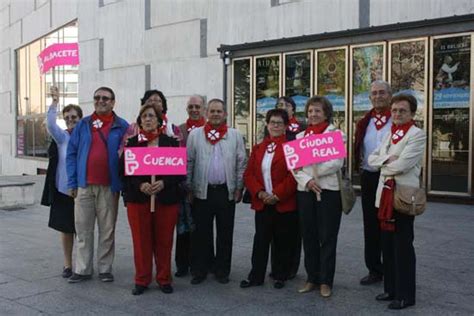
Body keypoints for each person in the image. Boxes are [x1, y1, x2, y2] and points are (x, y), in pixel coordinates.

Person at [369, 94, 426, 310]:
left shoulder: (417, 135)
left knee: (402, 247)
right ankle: (390, 289)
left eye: (402, 110)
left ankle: (405, 295)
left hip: (402, 197)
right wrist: (386, 160)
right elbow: (371, 159)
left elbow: (403, 164)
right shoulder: (389, 134)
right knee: (387, 245)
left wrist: (383, 163)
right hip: (384, 197)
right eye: (394, 110)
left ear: (412, 113)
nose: (397, 114)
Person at [120, 104, 184, 295]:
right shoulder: (131, 143)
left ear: (159, 120)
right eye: (144, 116)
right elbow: (123, 172)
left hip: (165, 200)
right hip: (139, 200)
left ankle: (164, 278)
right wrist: (141, 185)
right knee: (141, 241)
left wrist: (163, 183)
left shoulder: (171, 143)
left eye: (151, 116)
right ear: (140, 121)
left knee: (164, 241)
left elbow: (179, 173)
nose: (148, 119)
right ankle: (142, 279)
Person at [66, 87, 128, 283]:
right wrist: (73, 182)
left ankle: (104, 268)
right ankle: (83, 269)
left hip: (110, 186)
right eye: (97, 98)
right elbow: (71, 154)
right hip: (84, 185)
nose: (101, 101)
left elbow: (128, 154)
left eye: (105, 98)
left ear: (113, 102)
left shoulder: (122, 126)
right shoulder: (83, 124)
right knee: (83, 229)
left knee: (107, 229)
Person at [187, 98, 247, 285]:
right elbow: (189, 162)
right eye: (212, 111)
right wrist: (188, 187)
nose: (215, 114)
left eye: (219, 111)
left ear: (225, 114)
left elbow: (241, 163)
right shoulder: (195, 135)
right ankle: (200, 270)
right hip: (202, 191)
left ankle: (222, 270)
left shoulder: (235, 135)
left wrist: (238, 187)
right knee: (201, 234)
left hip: (225, 191)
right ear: (206, 113)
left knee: (225, 233)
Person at [240, 109, 298, 290]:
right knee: (260, 241)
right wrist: (260, 193)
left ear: (286, 126)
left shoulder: (291, 147)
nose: (275, 126)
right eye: (272, 122)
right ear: (267, 124)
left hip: (283, 202)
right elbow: (249, 174)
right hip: (262, 202)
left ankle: (280, 275)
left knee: (282, 241)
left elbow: (294, 175)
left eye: (279, 123)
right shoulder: (258, 148)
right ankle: (256, 276)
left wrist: (277, 195)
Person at [292, 96, 344, 298]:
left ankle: (326, 281)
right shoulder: (299, 137)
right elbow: (295, 166)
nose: (313, 114)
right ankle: (312, 278)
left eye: (318, 111)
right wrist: (307, 181)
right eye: (311, 111)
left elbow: (336, 162)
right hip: (306, 191)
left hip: (328, 192)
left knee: (328, 237)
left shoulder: (337, 134)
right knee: (309, 236)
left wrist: (311, 170)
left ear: (326, 113)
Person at [41, 86, 82, 279]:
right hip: (64, 191)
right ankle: (67, 264)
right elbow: (50, 124)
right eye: (67, 118)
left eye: (74, 117)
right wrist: (55, 102)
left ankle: (83, 265)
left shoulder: (85, 138)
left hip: (83, 191)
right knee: (66, 230)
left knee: (83, 231)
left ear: (81, 119)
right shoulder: (62, 138)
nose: (70, 120)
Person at [354, 80, 393, 285]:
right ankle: (374, 269)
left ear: (389, 95)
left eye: (382, 93)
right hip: (369, 177)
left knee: (390, 223)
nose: (378, 96)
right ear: (370, 98)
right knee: (370, 225)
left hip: (391, 178)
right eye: (374, 93)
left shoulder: (396, 120)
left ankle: (392, 268)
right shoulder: (364, 122)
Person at [174, 95, 206, 277]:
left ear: (203, 109)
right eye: (191, 106)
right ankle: (182, 264)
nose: (194, 110)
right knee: (183, 227)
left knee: (201, 227)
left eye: (198, 106)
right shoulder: (179, 130)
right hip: (182, 186)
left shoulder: (209, 130)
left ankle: (201, 262)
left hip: (203, 185)